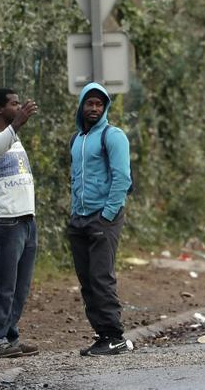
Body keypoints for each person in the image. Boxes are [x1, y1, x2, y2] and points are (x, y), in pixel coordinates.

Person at [68, 83, 133, 356]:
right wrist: (73, 212)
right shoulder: (77, 139)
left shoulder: (113, 135)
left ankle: (115, 336)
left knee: (101, 277)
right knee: (87, 280)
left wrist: (107, 214)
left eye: (99, 104)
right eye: (89, 103)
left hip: (103, 218)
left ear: (105, 108)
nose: (94, 108)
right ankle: (102, 334)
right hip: (79, 218)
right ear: (82, 106)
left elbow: (122, 178)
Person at [0, 88, 39, 359]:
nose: (19, 107)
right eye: (14, 104)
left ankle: (8, 334)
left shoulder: (15, 139)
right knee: (1, 283)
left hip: (25, 220)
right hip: (3, 220)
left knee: (19, 286)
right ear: (0, 109)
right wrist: (15, 126)